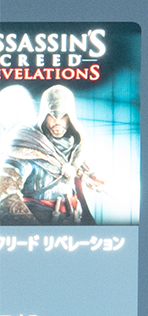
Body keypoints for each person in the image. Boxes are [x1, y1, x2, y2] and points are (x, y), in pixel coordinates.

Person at [0, 85, 104, 225]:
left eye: (64, 116)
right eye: (52, 116)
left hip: (73, 219)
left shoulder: (73, 143)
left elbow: (68, 164)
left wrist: (89, 174)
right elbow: (4, 190)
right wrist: (31, 228)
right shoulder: (25, 144)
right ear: (44, 114)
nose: (58, 122)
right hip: (39, 222)